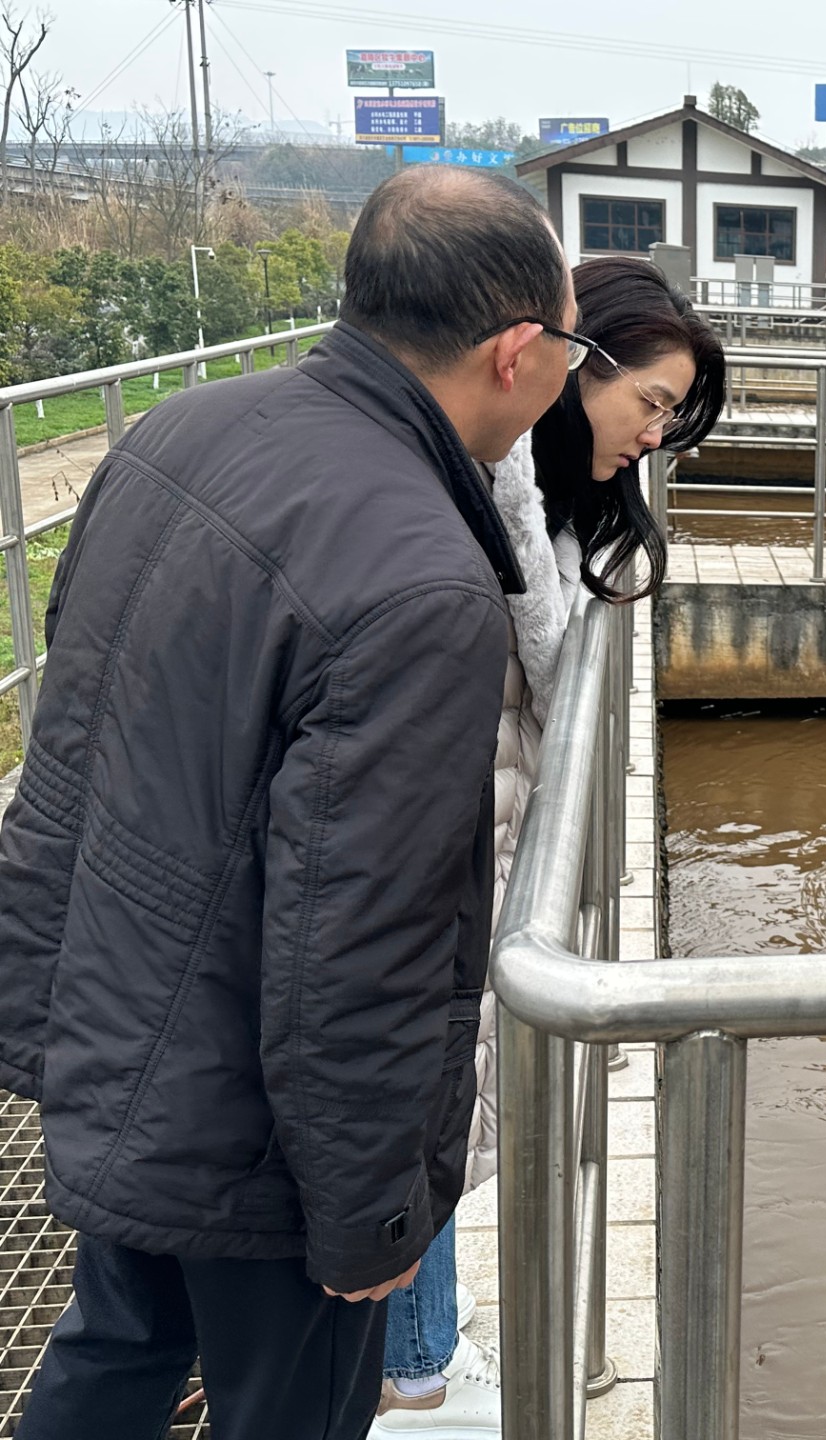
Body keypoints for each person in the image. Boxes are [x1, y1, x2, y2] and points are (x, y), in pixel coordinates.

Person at [0, 165, 577, 1439]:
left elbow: (71, 746)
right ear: (516, 352)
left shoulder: (176, 434)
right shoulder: (425, 577)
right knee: (293, 1410)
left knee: (114, 1350)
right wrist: (368, 1212)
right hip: (266, 1133)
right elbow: (363, 934)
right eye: (570, 349)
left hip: (120, 1030)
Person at [370, 254, 725, 1437]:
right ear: (572, 364)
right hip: (420, 881)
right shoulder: (466, 507)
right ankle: (414, 1373)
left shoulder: (537, 505)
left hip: (462, 866)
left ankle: (417, 1346)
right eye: (653, 403)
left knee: (423, 1117)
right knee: (406, 1116)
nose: (657, 436)